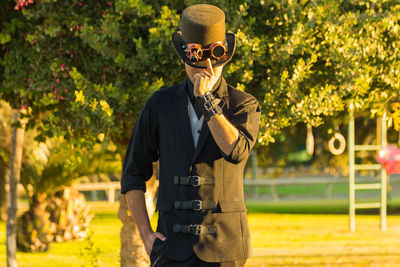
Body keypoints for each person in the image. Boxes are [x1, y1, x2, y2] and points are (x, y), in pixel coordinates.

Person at [121, 4, 261, 266]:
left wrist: (208, 101)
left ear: (224, 56)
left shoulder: (244, 104)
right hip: (170, 246)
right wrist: (145, 235)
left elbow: (236, 151)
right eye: (195, 58)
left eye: (213, 58)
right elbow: (132, 175)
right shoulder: (159, 104)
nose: (205, 68)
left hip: (225, 247)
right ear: (183, 57)